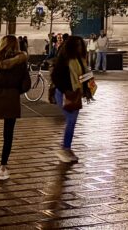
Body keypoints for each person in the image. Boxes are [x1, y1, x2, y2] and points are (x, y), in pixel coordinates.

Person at [0, 36, 29, 180]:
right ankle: (3, 167)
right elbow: (26, 84)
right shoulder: (20, 62)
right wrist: (15, 91)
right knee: (8, 135)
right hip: (12, 100)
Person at [50, 35, 87, 163]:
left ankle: (67, 148)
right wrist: (66, 90)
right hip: (64, 94)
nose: (80, 47)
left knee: (72, 121)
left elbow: (84, 75)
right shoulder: (65, 60)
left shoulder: (80, 59)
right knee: (71, 120)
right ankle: (64, 148)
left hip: (76, 94)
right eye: (77, 45)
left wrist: (88, 89)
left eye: (81, 45)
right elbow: (56, 77)